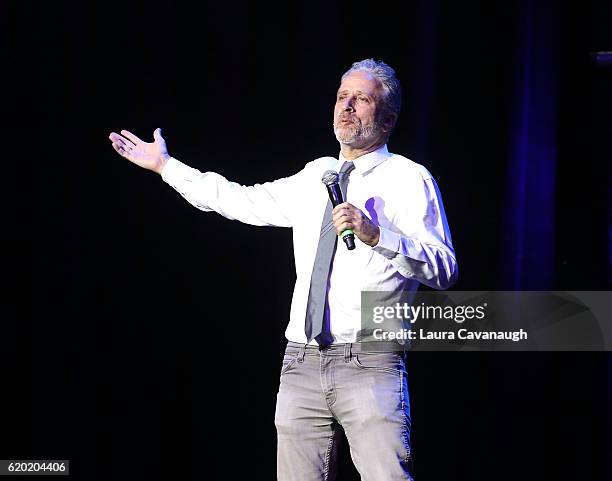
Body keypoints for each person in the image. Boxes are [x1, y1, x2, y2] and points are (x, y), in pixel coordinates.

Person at [109, 58, 457, 480]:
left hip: (370, 359)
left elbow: (443, 269)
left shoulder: (409, 178)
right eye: (341, 97)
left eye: (361, 99)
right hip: (301, 361)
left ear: (387, 117)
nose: (346, 107)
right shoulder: (317, 175)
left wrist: (377, 235)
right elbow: (239, 200)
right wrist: (167, 167)